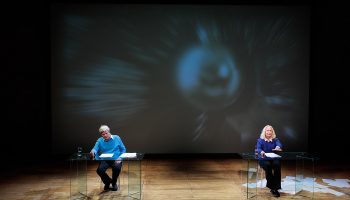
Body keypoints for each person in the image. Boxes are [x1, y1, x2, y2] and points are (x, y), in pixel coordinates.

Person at [90, 125, 126, 191]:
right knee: (99, 170)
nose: (105, 135)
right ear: (101, 135)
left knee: (117, 168)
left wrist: (120, 158)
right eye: (103, 134)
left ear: (109, 132)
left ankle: (114, 183)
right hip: (105, 160)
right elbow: (95, 149)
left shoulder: (117, 138)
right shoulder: (100, 140)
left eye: (106, 133)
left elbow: (123, 149)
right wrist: (93, 151)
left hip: (116, 159)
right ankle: (108, 182)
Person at [256, 125, 283, 197]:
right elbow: (258, 148)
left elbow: (279, 145)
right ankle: (273, 188)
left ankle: (275, 188)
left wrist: (278, 147)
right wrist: (261, 151)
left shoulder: (275, 140)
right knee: (268, 166)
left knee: (277, 165)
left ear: (272, 132)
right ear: (264, 131)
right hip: (263, 158)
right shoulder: (260, 140)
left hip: (273, 158)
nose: (269, 132)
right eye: (267, 130)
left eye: (270, 130)